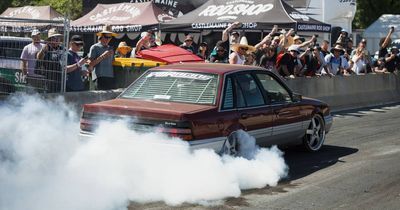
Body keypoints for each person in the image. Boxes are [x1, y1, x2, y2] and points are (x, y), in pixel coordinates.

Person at [87, 25, 116, 90]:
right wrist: (103, 56)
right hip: (99, 77)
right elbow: (90, 64)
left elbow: (112, 62)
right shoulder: (94, 47)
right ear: (101, 36)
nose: (108, 39)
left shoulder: (110, 48)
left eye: (110, 37)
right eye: (106, 37)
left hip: (110, 77)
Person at [36, 28, 64, 93]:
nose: (57, 39)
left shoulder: (62, 48)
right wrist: (43, 50)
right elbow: (39, 57)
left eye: (58, 37)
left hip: (60, 79)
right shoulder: (46, 48)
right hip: (49, 79)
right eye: (54, 38)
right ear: (50, 39)